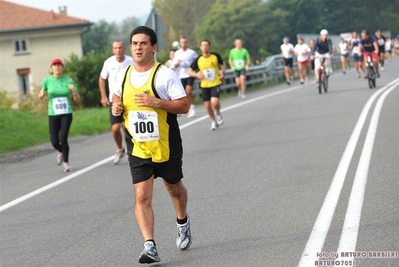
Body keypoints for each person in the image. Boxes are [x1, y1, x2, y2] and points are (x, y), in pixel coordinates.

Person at [111, 26, 190, 264]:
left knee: (174, 188)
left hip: (165, 145)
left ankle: (182, 221)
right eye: (134, 43)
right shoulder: (122, 75)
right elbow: (116, 96)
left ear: (153, 47)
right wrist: (115, 107)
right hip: (138, 146)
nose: (137, 47)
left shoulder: (165, 75)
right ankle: (150, 245)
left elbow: (184, 105)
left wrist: (156, 102)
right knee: (142, 196)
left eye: (143, 43)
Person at [38, 58, 80, 172]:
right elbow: (40, 95)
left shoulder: (69, 80)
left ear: (62, 68)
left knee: (64, 137)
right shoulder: (47, 81)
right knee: (54, 141)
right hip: (53, 113)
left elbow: (77, 100)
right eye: (55, 65)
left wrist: (73, 91)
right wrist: (41, 94)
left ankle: (66, 163)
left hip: (66, 113)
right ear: (51, 68)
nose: (57, 67)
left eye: (59, 65)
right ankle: (61, 151)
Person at [99, 41, 134, 164]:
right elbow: (102, 79)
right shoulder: (108, 62)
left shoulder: (131, 61)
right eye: (115, 48)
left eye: (120, 48)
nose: (118, 50)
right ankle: (120, 149)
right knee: (115, 128)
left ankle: (132, 150)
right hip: (114, 100)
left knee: (127, 126)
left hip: (129, 99)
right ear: (113, 50)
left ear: (124, 49)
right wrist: (103, 96)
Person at [188, 40, 226, 131]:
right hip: (204, 85)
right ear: (200, 47)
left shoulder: (215, 56)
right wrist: (197, 75)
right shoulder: (198, 59)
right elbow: (189, 71)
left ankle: (217, 113)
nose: (205, 47)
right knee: (208, 106)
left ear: (209, 47)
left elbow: (223, 64)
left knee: (215, 102)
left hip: (215, 83)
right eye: (203, 45)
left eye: (206, 45)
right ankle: (213, 121)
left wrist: (223, 73)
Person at [173, 37, 198, 118]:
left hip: (190, 74)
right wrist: (178, 63)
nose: (183, 44)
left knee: (188, 91)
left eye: (185, 42)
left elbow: (198, 60)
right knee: (184, 93)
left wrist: (196, 69)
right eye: (182, 42)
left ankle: (192, 107)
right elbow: (175, 65)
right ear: (180, 43)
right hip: (181, 75)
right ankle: (190, 106)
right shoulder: (177, 53)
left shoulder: (192, 52)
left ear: (187, 43)